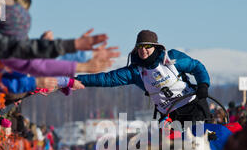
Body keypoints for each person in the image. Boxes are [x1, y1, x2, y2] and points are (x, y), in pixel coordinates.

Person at [76, 30, 211, 124]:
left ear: (155, 46)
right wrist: (76, 80)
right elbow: (106, 79)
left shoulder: (171, 58)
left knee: (199, 144)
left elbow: (196, 67)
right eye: (140, 46)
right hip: (170, 115)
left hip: (193, 106)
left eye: (147, 46)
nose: (143, 50)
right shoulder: (135, 72)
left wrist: (203, 84)